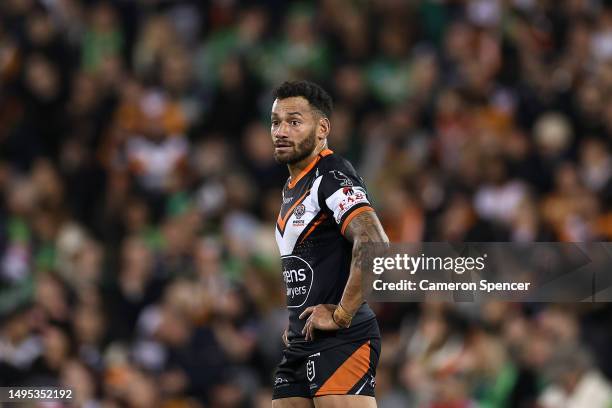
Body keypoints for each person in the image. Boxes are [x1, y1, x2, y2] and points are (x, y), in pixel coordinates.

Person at [269, 80, 389, 408]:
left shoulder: (331, 175)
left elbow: (374, 240)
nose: (281, 131)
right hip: (302, 339)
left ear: (322, 128)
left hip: (340, 338)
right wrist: (295, 318)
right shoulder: (295, 185)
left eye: (294, 122)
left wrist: (341, 316)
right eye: (276, 122)